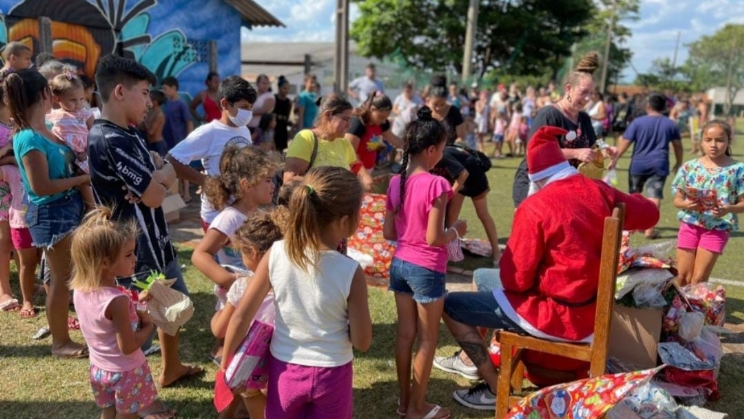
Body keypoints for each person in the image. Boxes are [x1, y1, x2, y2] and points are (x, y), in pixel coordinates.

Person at [440, 126, 660, 411]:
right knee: (483, 277)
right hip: (592, 309)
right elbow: (651, 213)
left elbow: (515, 281)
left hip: (554, 314)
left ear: (536, 176)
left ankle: (494, 387)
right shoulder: (600, 190)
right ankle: (474, 362)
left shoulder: (536, 207)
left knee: (449, 305)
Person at [88, 54, 203, 390]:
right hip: (134, 251)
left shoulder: (131, 133)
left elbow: (158, 168)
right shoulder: (109, 139)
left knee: (173, 309)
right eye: (144, 93)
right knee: (142, 321)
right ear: (120, 92)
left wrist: (157, 175)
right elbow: (154, 193)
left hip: (157, 240)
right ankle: (135, 394)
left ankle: (171, 367)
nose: (150, 102)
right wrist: (161, 177)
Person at [222, 166, 372, 419]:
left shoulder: (275, 254)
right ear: (345, 221)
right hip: (332, 374)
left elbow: (239, 317)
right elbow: (362, 342)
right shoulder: (351, 271)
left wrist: (228, 368)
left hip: (284, 370)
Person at [384, 106, 466, 419]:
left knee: (405, 335)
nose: (443, 155)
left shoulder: (396, 182)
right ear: (431, 150)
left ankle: (405, 403)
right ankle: (417, 408)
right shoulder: (438, 184)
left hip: (400, 264)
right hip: (427, 268)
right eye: (443, 149)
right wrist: (457, 229)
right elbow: (434, 238)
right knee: (427, 339)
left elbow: (389, 231)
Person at [6, 68, 90, 357]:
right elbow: (41, 187)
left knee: (69, 277)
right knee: (60, 280)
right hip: (52, 214)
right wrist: (81, 180)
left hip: (68, 208)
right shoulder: (29, 137)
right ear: (44, 94)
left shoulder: (45, 129)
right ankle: (60, 343)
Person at [70, 208, 174, 419]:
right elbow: (128, 346)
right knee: (128, 415)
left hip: (99, 369)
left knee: (108, 412)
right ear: (105, 262)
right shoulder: (117, 301)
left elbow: (103, 318)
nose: (135, 258)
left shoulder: (80, 291)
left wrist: (136, 302)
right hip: (126, 371)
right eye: (128, 254)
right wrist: (149, 325)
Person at [192, 146, 277, 361]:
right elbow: (200, 254)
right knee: (230, 336)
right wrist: (229, 281)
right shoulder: (230, 218)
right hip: (237, 290)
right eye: (267, 180)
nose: (273, 185)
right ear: (246, 185)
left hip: (255, 288)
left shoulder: (259, 212)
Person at [210, 207, 288, 419]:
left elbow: (220, 329)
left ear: (253, 252)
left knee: (251, 395)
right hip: (284, 361)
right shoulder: (291, 286)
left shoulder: (243, 287)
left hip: (250, 364)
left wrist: (222, 301)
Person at [512, 53, 615, 208]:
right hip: (534, 183)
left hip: (563, 187)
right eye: (583, 92)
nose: (588, 98)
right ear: (569, 89)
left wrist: (605, 149)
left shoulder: (584, 118)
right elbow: (534, 152)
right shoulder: (549, 114)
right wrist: (575, 153)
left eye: (591, 93)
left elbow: (593, 144)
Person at [166, 75, 255, 231]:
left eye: (250, 107)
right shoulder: (209, 132)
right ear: (225, 104)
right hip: (216, 217)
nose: (248, 112)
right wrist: (204, 181)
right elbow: (172, 160)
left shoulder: (245, 131)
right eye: (244, 106)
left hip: (240, 213)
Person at [672, 121, 744, 286]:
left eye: (719, 140)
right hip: (689, 225)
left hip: (717, 228)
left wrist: (728, 209)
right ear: (701, 141)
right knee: (682, 277)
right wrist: (685, 204)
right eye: (708, 139)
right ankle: (681, 310)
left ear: (728, 141)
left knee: (698, 279)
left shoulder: (738, 169)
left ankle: (697, 310)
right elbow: (677, 200)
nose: (713, 145)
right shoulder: (689, 167)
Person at [611, 92, 683, 240]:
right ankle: (650, 230)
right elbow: (678, 146)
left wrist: (615, 158)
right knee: (654, 196)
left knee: (633, 195)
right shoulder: (671, 124)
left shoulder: (637, 122)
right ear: (664, 108)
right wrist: (679, 162)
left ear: (648, 106)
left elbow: (625, 142)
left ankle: (630, 227)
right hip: (659, 164)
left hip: (638, 164)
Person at [282, 94, 356, 183]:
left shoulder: (344, 143)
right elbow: (290, 179)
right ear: (328, 115)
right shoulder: (306, 138)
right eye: (345, 119)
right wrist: (330, 186)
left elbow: (353, 174)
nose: (349, 125)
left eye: (350, 120)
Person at [345, 92, 402, 183]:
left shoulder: (381, 124)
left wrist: (412, 147)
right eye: (381, 117)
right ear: (372, 109)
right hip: (353, 174)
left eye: (386, 118)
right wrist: (364, 175)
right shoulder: (357, 124)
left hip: (368, 171)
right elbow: (349, 154)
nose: (384, 121)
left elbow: (395, 140)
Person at [47, 71, 95, 174]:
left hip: (83, 154)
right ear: (57, 98)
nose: (78, 104)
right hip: (63, 153)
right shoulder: (53, 115)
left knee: (84, 178)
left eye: (81, 99)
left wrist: (87, 152)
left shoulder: (85, 114)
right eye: (73, 100)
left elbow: (95, 136)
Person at [160, 76, 194, 201]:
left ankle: (186, 193)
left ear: (173, 88)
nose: (163, 91)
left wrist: (189, 140)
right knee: (172, 167)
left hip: (179, 140)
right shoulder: (167, 103)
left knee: (182, 166)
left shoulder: (181, 104)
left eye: (165, 88)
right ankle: (178, 192)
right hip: (168, 140)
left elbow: (188, 121)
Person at [143, 90, 167, 156]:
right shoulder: (150, 112)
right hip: (149, 143)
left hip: (157, 145)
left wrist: (144, 121)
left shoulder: (159, 115)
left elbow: (151, 132)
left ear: (155, 101)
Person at [273, 75, 292, 152]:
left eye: (288, 89)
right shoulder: (274, 99)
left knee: (281, 150)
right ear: (279, 88)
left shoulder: (288, 102)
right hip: (274, 127)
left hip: (283, 128)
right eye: (284, 88)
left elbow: (288, 115)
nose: (286, 91)